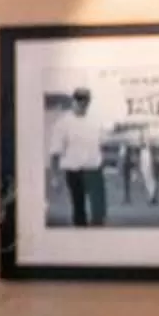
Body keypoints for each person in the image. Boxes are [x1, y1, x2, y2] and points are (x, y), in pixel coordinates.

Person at [46, 88, 106, 227]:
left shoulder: (95, 121)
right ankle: (81, 241)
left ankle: (99, 242)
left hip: (94, 170)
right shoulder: (63, 124)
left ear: (89, 102)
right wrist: (55, 177)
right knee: (79, 210)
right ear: (74, 101)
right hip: (74, 172)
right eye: (79, 100)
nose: (82, 104)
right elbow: (55, 152)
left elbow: (101, 144)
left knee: (99, 212)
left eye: (85, 100)